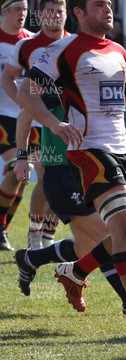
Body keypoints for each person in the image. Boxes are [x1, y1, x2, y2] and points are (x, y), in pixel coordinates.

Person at [17, 0, 126, 331]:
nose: (108, 9)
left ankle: (75, 271)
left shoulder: (119, 50)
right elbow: (25, 93)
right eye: (99, 5)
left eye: (109, 5)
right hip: (90, 150)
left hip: (125, 150)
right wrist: (54, 124)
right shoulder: (63, 50)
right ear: (79, 12)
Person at [1, 0, 69, 250]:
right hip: (30, 123)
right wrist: (24, 103)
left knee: (60, 178)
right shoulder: (27, 46)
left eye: (59, 11)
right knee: (42, 175)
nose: (55, 16)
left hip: (64, 124)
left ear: (66, 14)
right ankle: (33, 234)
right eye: (49, 11)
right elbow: (8, 77)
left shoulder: (73, 44)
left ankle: (47, 236)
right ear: (40, 15)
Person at [0, 0, 34, 251]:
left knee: (22, 173)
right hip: (1, 116)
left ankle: (2, 228)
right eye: (17, 9)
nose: (22, 14)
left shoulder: (31, 42)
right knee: (15, 167)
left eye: (25, 9)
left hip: (26, 118)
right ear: (4, 11)